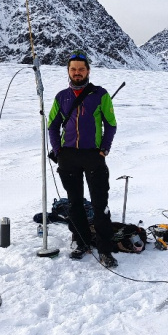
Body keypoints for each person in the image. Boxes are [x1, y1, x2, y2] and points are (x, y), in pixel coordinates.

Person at [47, 49, 118, 268]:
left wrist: (104, 149)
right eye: (73, 69)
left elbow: (111, 124)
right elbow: (52, 125)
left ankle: (105, 249)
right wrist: (58, 150)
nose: (77, 73)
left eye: (81, 69)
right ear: (68, 71)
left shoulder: (100, 94)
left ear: (88, 71)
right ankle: (81, 241)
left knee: (100, 204)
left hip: (93, 156)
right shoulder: (62, 96)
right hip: (68, 156)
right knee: (74, 202)